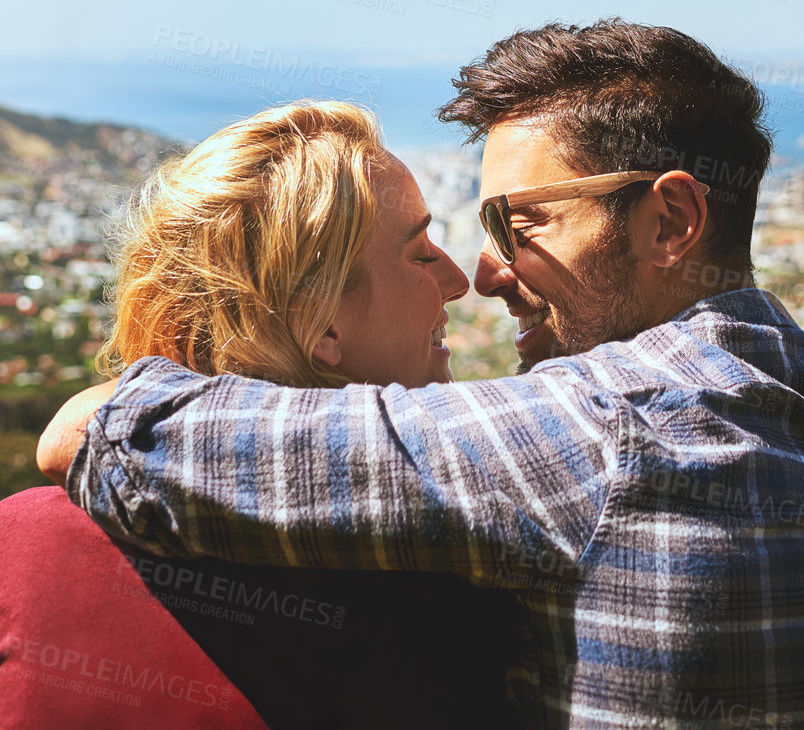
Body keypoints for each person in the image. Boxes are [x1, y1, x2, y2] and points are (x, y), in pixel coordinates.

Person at [46, 22, 804, 727]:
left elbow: (126, 445)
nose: (487, 271)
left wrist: (104, 400)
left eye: (521, 223)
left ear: (670, 223)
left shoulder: (603, 435)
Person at [4, 99, 525, 729]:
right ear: (320, 322)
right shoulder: (463, 605)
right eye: (420, 254)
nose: (457, 279)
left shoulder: (26, 542)